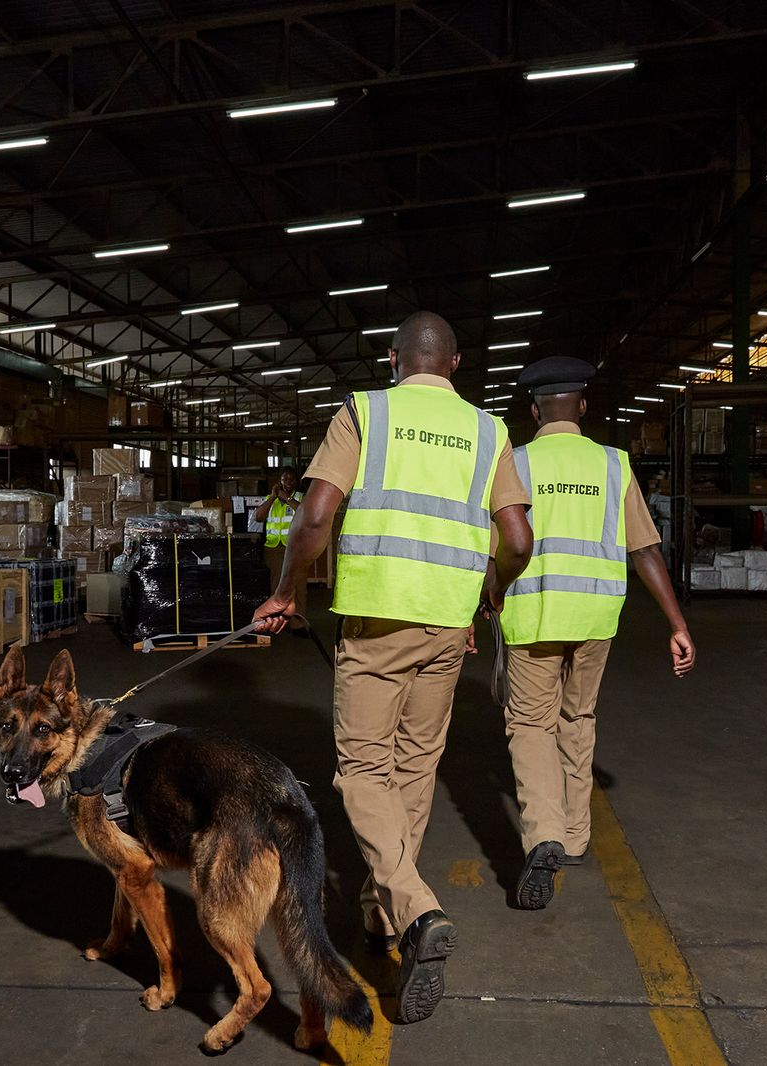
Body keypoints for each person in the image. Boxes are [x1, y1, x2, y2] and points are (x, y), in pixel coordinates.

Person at [252, 311, 533, 1025]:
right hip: (447, 623)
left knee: (362, 771)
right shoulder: (489, 430)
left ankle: (415, 908)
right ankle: (382, 921)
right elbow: (520, 538)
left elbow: (316, 515)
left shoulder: (365, 413)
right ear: (456, 363)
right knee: (412, 770)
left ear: (392, 357)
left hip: (378, 619)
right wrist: (489, 592)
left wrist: (288, 588)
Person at [494, 356, 696, 911]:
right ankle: (577, 837)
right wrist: (677, 625)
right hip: (596, 619)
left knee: (531, 726)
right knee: (577, 718)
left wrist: (483, 603)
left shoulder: (515, 462)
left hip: (534, 616)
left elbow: (504, 545)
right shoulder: (613, 465)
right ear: (583, 407)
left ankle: (545, 838)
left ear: (533, 410)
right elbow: (645, 549)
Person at [253, 465, 308, 630]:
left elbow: (305, 513)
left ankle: (298, 625)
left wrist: (287, 499)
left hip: (296, 548)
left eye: (291, 479)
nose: (288, 482)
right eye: (285, 479)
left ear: (296, 482)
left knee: (298, 587)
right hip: (274, 549)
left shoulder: (301, 497)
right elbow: (258, 517)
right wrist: (273, 497)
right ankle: (276, 624)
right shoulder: (271, 499)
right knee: (276, 586)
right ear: (279, 481)